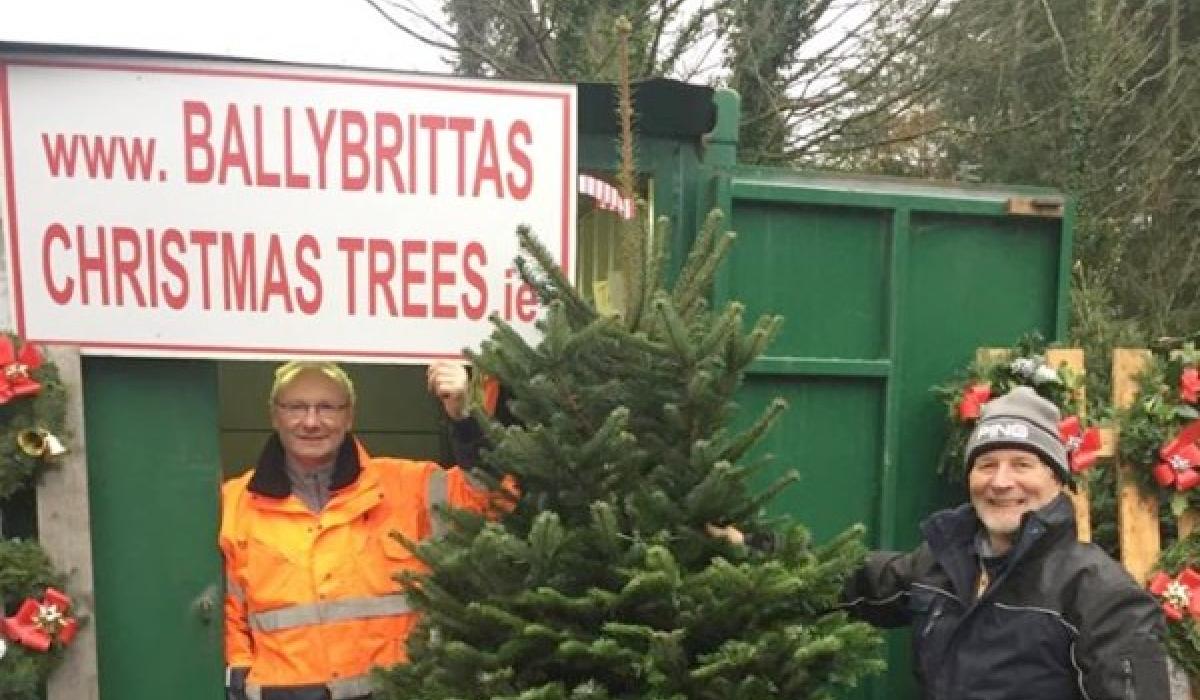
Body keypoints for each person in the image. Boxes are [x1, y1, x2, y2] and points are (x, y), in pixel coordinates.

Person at [842, 386, 1170, 699]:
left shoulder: (1102, 596)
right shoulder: (941, 564)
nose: (1000, 482)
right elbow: (862, 582)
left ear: (1055, 478)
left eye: (1021, 465)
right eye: (987, 465)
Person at [219, 360, 500, 700]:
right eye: (296, 407)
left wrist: (465, 421)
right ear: (274, 415)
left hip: (394, 691)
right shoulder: (234, 500)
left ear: (349, 416)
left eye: (327, 407)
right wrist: (239, 672)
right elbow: (226, 606)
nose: (311, 421)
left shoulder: (410, 485)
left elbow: (494, 500)